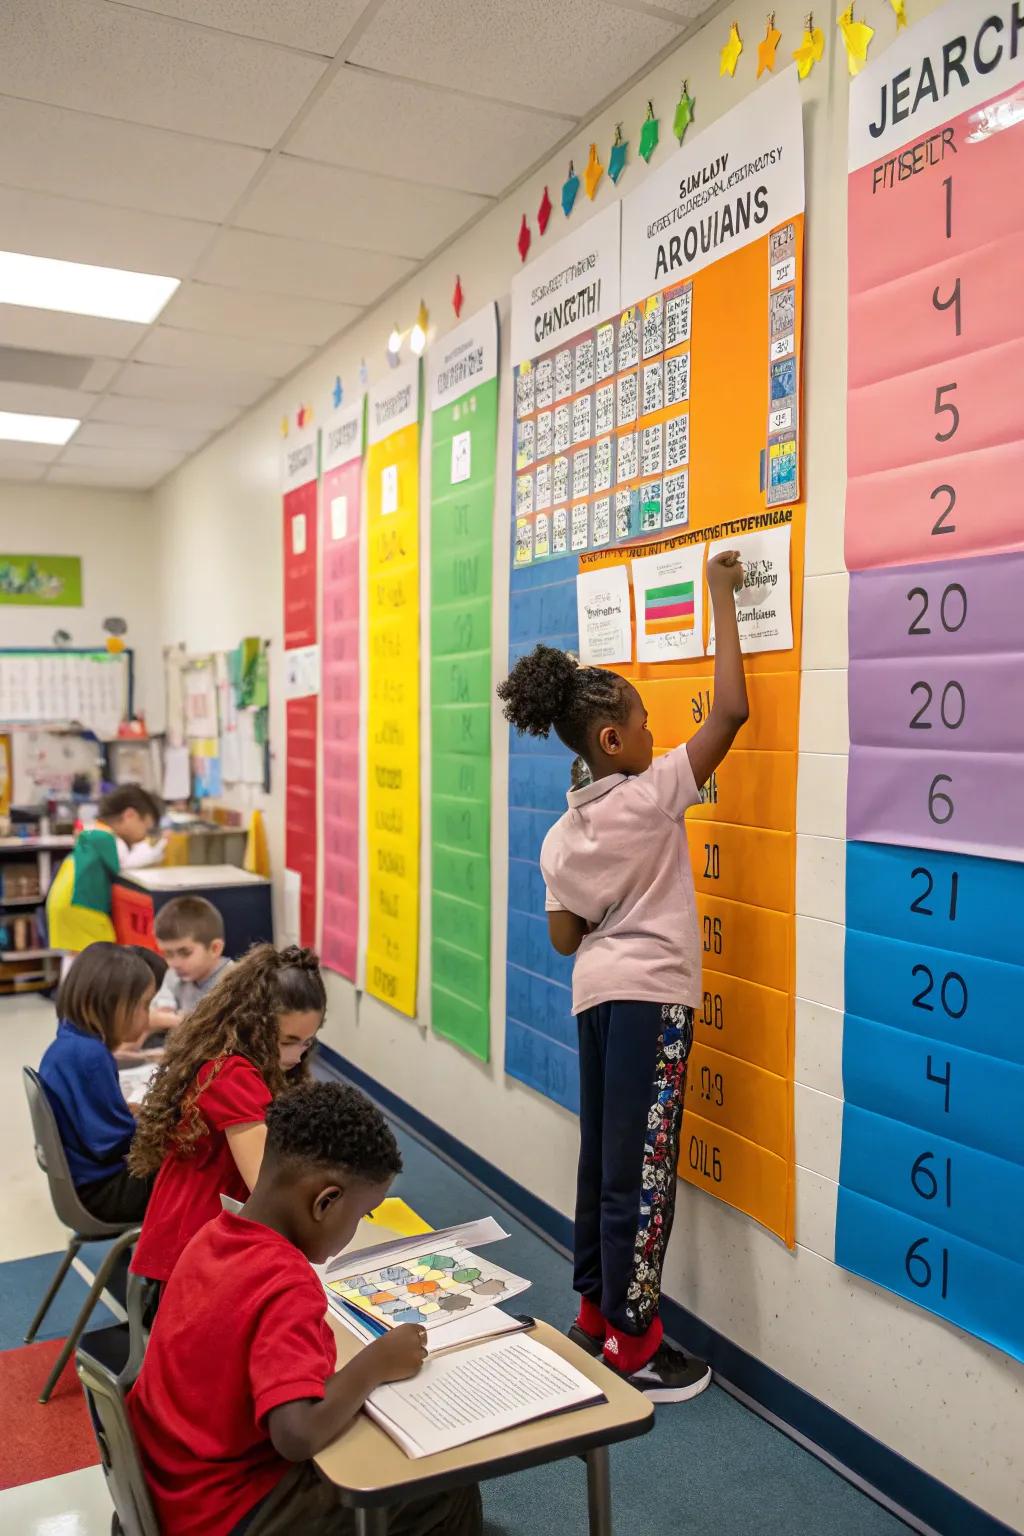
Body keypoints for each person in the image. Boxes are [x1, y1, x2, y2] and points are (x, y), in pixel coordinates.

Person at [496, 549, 748, 1402]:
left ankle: (594, 1313)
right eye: (644, 723)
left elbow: (565, 938)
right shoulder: (653, 795)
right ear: (613, 740)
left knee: (604, 1158)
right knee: (645, 1166)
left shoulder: (561, 837)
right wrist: (720, 595)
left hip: (596, 1000)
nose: (654, 734)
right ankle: (637, 1343)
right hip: (654, 1002)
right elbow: (732, 710)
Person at [128, 1081, 482, 1536]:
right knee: (447, 1485)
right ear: (325, 1201)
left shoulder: (210, 1237)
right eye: (362, 1214)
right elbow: (297, 1434)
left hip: (168, 1488)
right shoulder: (285, 1281)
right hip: (228, 1513)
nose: (355, 1229)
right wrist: (376, 1363)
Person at [127, 944, 325, 1287]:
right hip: (196, 1245)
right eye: (288, 1041)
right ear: (254, 1025)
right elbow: (265, 1184)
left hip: (205, 1228)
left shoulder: (232, 1056)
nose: (297, 1055)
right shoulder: (233, 1075)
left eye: (307, 1042)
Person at [38, 942, 156, 1222]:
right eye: (143, 1005)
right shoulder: (90, 1056)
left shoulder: (68, 1042)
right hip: (103, 1190)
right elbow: (113, 1144)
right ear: (111, 1004)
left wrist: (124, 1113)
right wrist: (159, 1126)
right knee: (197, 1165)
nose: (147, 1016)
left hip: (86, 1182)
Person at [46, 786, 162, 966]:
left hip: (66, 900)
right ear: (130, 815)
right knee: (99, 959)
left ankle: (71, 984)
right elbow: (127, 864)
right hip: (82, 904)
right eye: (145, 828)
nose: (144, 835)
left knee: (76, 955)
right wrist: (156, 849)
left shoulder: (94, 831)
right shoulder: (108, 838)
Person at [149, 895, 234, 1033]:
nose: (175, 963)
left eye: (185, 952)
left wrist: (174, 1021)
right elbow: (156, 1013)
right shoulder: (173, 975)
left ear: (215, 948)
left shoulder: (235, 981)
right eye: (167, 954)